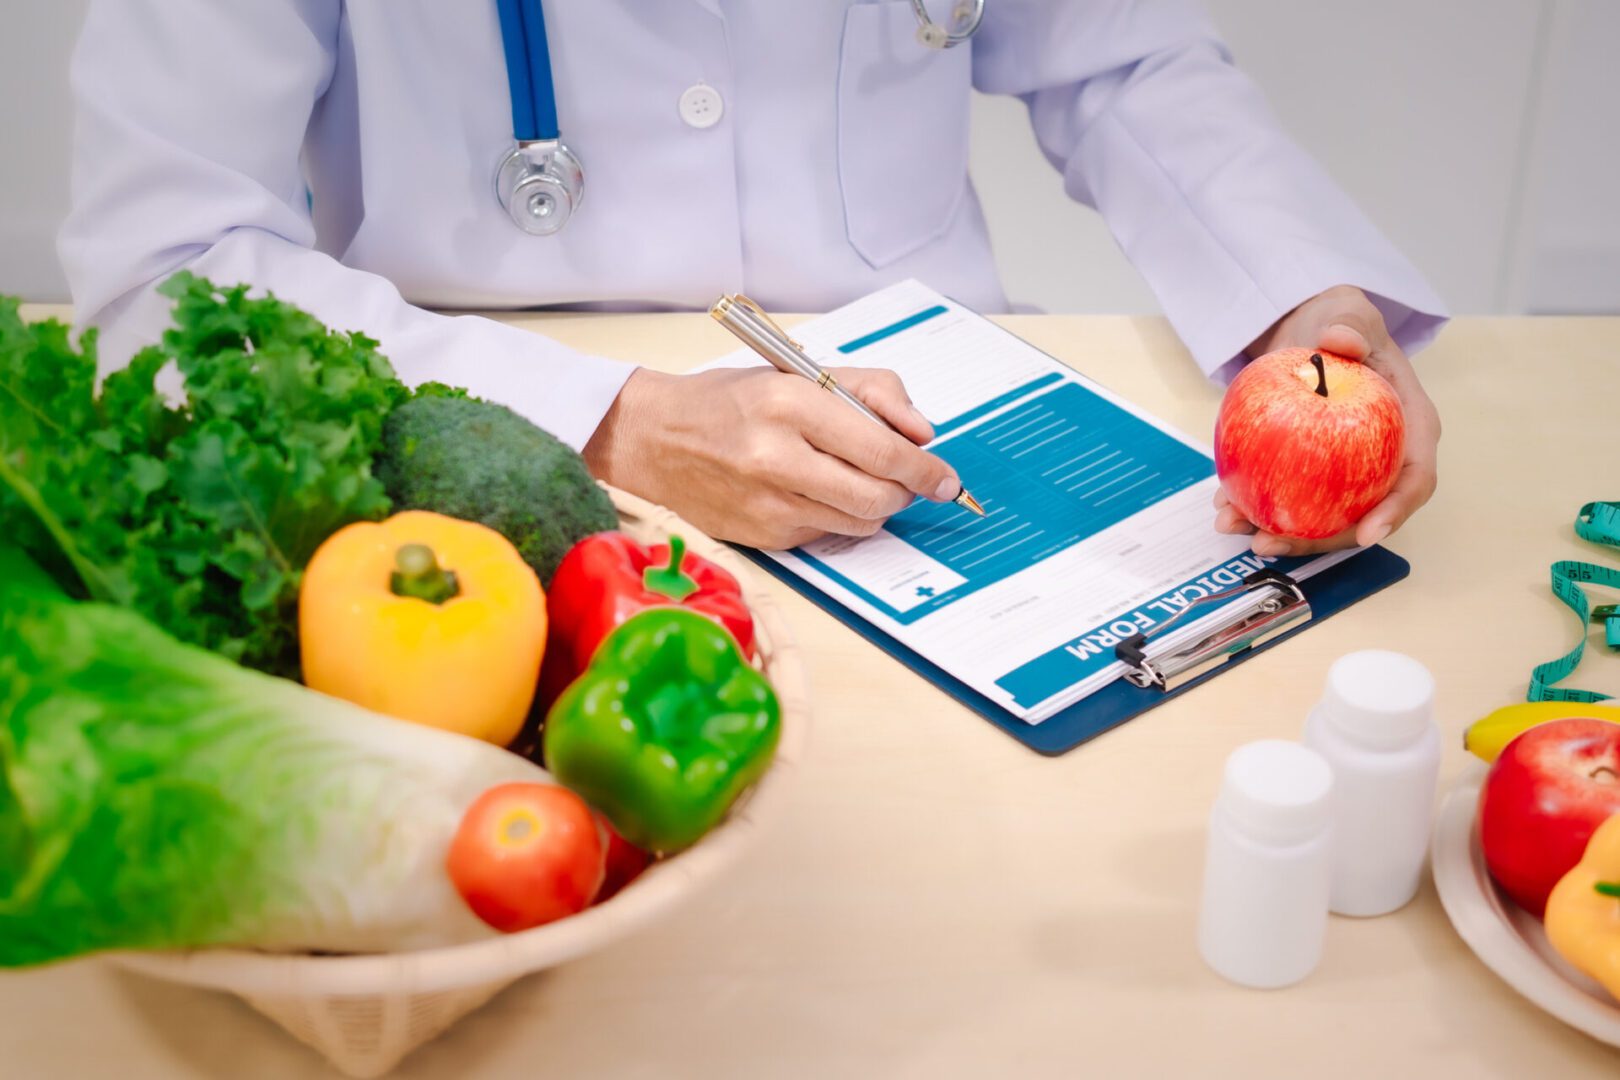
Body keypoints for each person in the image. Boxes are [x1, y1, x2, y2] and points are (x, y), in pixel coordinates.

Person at [59, 1, 1445, 554]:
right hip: (488, 455)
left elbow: (1119, 54)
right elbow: (164, 263)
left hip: (940, 438)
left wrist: (1300, 300)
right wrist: (620, 424)